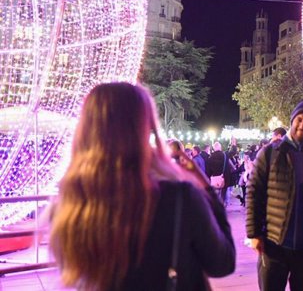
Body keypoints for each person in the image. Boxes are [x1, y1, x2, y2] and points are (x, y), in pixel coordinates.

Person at [48, 82, 235, 290]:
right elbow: (222, 263)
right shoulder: (178, 198)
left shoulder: (72, 201)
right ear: (145, 128)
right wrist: (207, 190)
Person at [246, 100, 303, 291]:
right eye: (300, 119)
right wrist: (254, 233)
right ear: (292, 120)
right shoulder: (270, 153)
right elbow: (254, 193)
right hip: (274, 244)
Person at [206, 141, 235, 206]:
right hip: (224, 178)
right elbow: (233, 152)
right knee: (223, 195)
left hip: (214, 179)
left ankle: (216, 208)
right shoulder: (225, 155)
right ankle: (222, 207)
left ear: (213, 148)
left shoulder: (210, 157)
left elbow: (208, 170)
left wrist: (209, 177)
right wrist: (233, 145)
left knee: (215, 195)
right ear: (220, 147)